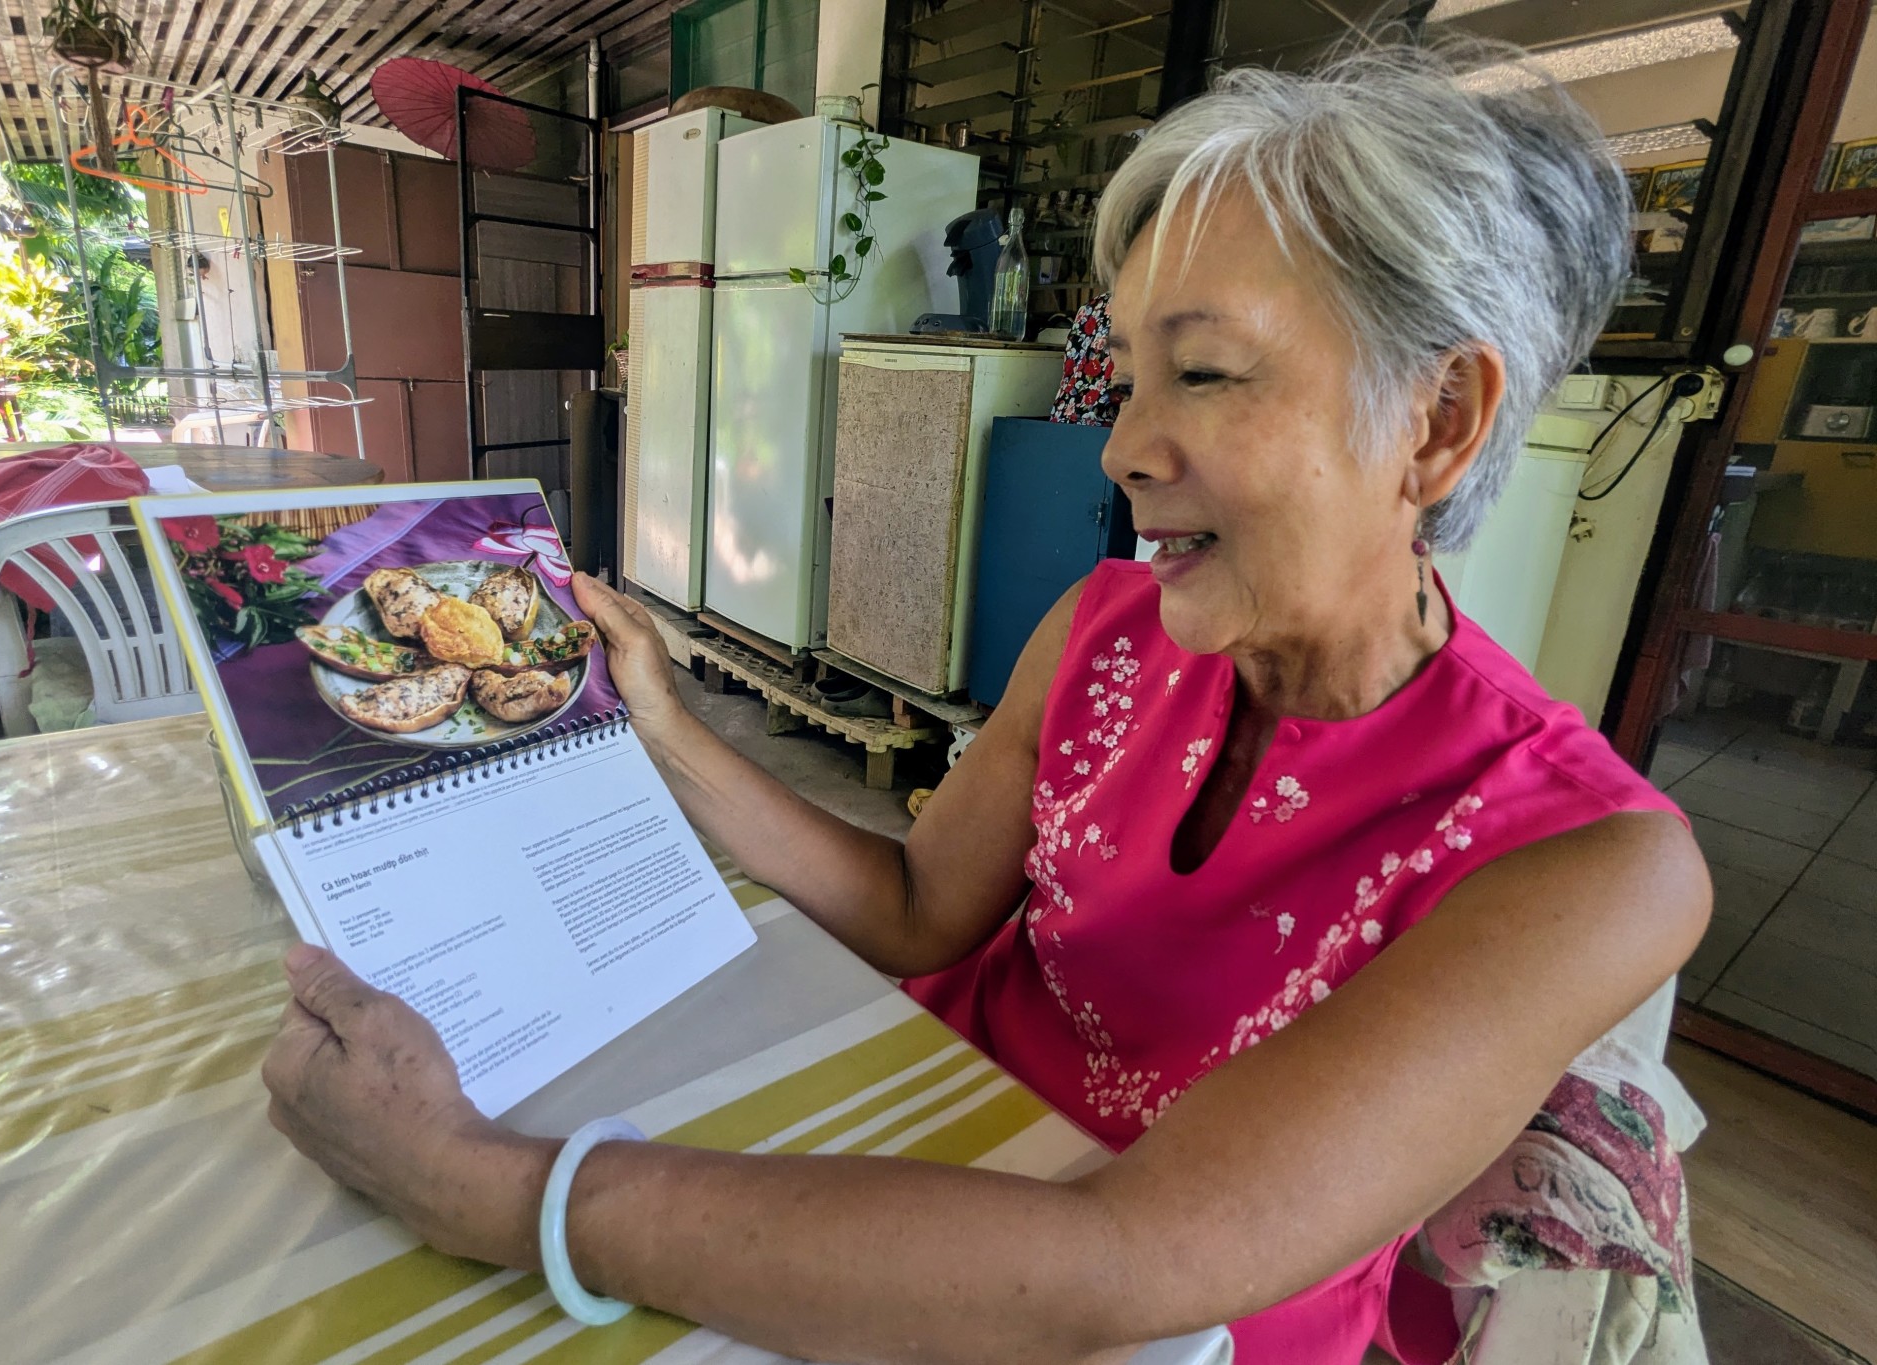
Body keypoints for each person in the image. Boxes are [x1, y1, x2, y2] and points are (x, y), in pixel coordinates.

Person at [260, 40, 1711, 1365]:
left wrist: (479, 1187)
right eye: (1130, 373)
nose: (1126, 448)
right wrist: (665, 726)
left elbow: (1134, 1258)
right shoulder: (1105, 634)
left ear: (1437, 421)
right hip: (909, 1139)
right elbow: (915, 914)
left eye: (1203, 373)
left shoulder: (1591, 865)